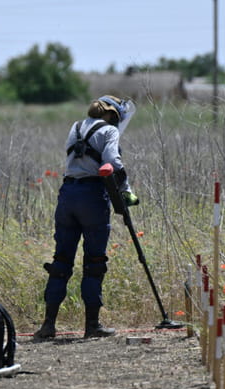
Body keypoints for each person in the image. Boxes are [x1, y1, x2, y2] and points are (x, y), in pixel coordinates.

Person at [35, 95, 139, 339]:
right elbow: (112, 162)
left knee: (61, 262)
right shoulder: (110, 132)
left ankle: (48, 325)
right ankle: (92, 326)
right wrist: (127, 192)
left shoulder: (76, 126)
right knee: (94, 262)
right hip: (92, 196)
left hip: (68, 194)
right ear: (114, 115)